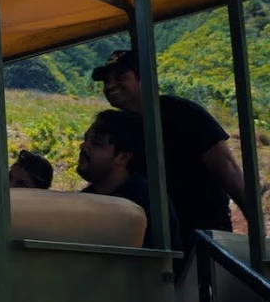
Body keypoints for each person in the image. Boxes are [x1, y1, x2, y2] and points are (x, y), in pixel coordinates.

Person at [92, 49, 247, 247]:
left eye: (120, 76)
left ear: (143, 78)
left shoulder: (183, 114)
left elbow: (228, 168)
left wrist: (257, 232)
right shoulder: (120, 127)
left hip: (201, 238)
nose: (110, 86)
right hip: (152, 241)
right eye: (106, 81)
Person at [76, 109, 182, 254]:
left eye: (96, 143)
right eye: (85, 139)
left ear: (122, 157)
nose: (83, 147)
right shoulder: (86, 197)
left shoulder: (149, 203)